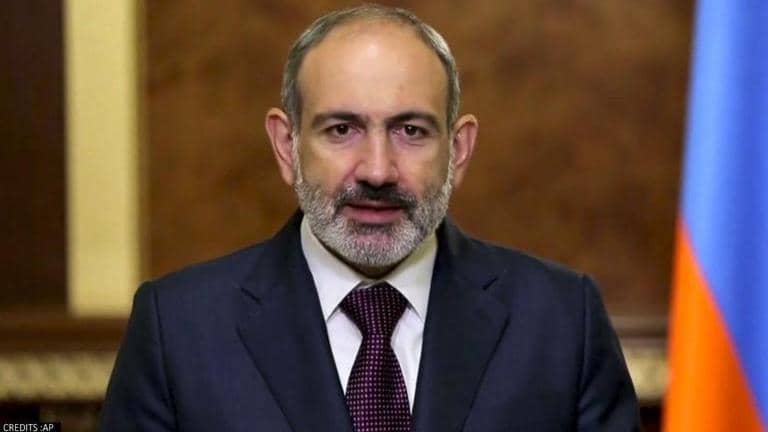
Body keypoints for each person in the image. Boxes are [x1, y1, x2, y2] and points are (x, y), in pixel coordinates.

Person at [100, 4, 639, 431]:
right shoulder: (178, 330)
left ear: (458, 150)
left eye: (411, 131)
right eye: (341, 130)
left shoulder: (562, 322)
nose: (378, 170)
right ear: (287, 147)